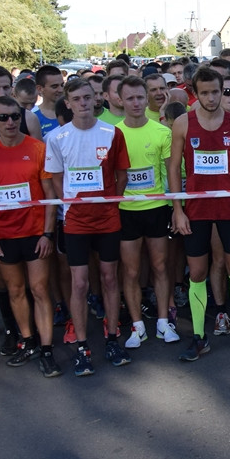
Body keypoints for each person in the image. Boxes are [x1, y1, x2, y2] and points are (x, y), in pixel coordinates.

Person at [169, 67, 230, 362]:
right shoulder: (183, 123)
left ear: (224, 92)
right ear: (194, 94)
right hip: (196, 211)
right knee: (197, 272)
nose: (211, 98)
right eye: (205, 93)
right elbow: (173, 168)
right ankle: (199, 337)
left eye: (216, 92)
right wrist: (178, 210)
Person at [45, 77, 131, 375]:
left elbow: (122, 174)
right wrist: (69, 203)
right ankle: (82, 346)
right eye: (77, 99)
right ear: (67, 103)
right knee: (79, 283)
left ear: (96, 100)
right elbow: (56, 177)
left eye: (87, 98)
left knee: (109, 278)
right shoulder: (56, 137)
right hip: (76, 222)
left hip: (108, 219)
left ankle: (111, 338)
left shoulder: (111, 132)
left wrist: (109, 202)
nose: (83, 103)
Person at [0, 96, 60, 376]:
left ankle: (47, 350)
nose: (10, 122)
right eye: (3, 117)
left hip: (36, 233)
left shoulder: (37, 149)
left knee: (39, 289)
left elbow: (50, 196)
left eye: (15, 116)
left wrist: (48, 234)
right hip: (4, 235)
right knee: (15, 291)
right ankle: (28, 340)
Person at [115, 76, 180, 348]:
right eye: (130, 98)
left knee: (160, 266)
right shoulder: (113, 134)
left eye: (140, 97)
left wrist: (176, 208)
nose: (136, 103)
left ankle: (164, 322)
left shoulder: (162, 132)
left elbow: (171, 173)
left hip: (156, 209)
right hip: (126, 210)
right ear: (120, 100)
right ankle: (137, 326)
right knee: (130, 271)